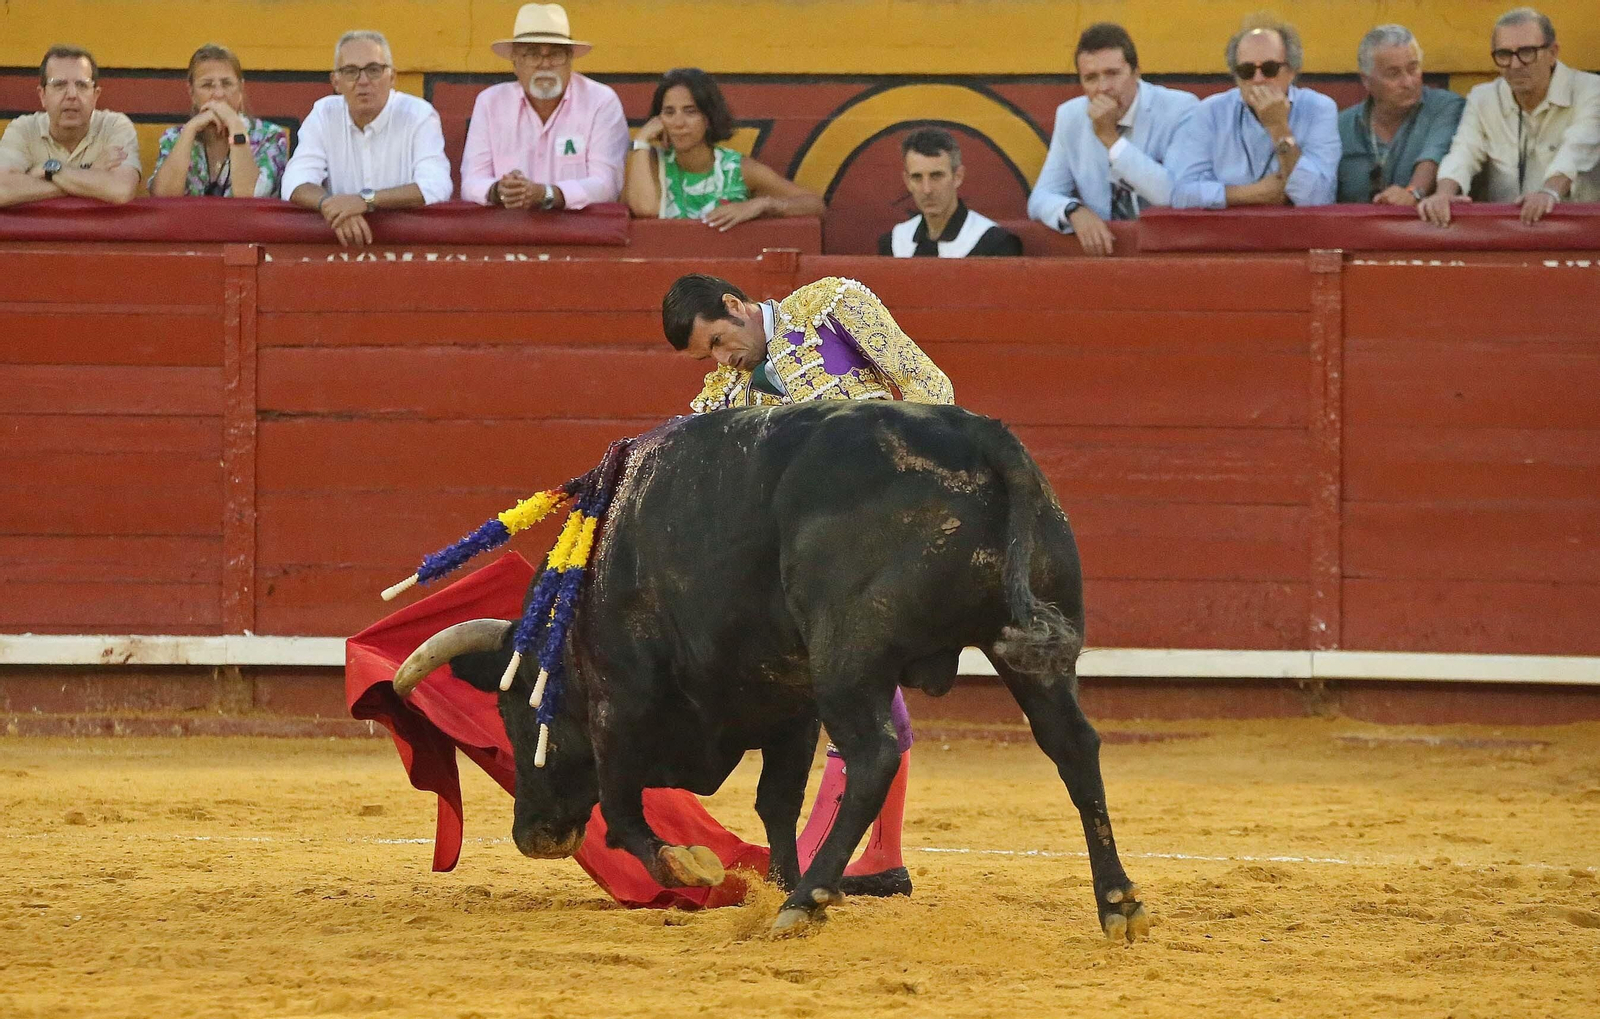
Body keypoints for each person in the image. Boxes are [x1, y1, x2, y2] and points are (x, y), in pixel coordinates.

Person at [656, 272, 957, 895]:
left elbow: (930, 387)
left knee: (851, 685)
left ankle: (830, 856)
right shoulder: (723, 396)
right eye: (705, 355)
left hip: (897, 522)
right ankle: (878, 858)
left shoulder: (833, 306)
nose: (720, 359)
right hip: (819, 567)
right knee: (855, 686)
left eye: (718, 341)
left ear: (736, 307)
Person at [1027, 22, 1199, 256]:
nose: (1103, 88)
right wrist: (1073, 211)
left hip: (1171, 251)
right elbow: (1041, 198)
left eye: (1112, 74)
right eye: (1091, 78)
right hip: (1108, 254)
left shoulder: (1180, 109)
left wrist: (1110, 139)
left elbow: (1173, 194)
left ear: (1136, 72)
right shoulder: (1071, 116)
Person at [1420, 7, 1600, 227]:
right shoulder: (1482, 97)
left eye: (1527, 52)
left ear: (1553, 53)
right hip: (1505, 234)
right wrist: (1443, 194)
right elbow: (1463, 151)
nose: (1515, 65)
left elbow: (1578, 149)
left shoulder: (1591, 91)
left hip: (1576, 235)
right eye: (1504, 55)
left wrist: (1549, 194)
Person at [281, 30, 452, 248]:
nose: (363, 81)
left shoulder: (418, 114)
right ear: (336, 81)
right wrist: (331, 206)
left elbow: (436, 186)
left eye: (373, 70)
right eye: (351, 71)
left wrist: (364, 201)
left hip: (408, 252)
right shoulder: (324, 114)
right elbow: (294, 181)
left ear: (392, 77)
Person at [461, 3, 628, 212]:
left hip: (578, 236)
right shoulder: (490, 103)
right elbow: (471, 182)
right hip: (509, 232)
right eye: (532, 54)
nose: (545, 64)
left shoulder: (601, 101)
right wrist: (499, 190)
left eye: (556, 54)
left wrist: (547, 194)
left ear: (570, 59)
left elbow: (607, 185)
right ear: (515, 61)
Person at [1166, 15, 1340, 208]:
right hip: (1227, 233)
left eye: (1269, 69)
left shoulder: (1319, 109)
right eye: (1247, 71)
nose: (1258, 79)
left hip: (1295, 233)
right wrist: (1253, 193)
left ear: (1291, 71)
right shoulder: (1211, 112)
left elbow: (1318, 198)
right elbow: (1180, 194)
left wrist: (1279, 127)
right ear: (1236, 77)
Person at [625, 67, 825, 230]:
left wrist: (764, 204)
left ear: (709, 118)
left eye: (690, 111)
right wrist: (642, 140)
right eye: (669, 112)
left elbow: (815, 204)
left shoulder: (735, 169)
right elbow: (645, 208)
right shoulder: (649, 162)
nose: (678, 123)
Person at [1336, 25, 1465, 205]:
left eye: (1413, 69)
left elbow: (1434, 153)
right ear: (1366, 80)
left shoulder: (1445, 106)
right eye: (1393, 74)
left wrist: (1413, 192)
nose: (1408, 82)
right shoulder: (1340, 127)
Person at [0, 45, 140, 208]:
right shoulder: (23, 129)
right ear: (42, 95)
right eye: (59, 85)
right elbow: (2, 189)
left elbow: (121, 190)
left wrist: (45, 171)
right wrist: (90, 176)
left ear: (95, 96)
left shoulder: (115, 126)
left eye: (82, 85)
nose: (72, 95)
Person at [148, 44, 290, 199]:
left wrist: (235, 127)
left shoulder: (269, 136)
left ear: (241, 88)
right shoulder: (174, 137)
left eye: (227, 84)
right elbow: (163, 196)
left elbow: (249, 196)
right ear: (192, 92)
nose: (218, 94)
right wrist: (189, 131)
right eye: (207, 85)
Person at [879, 127, 1020, 257]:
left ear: (958, 176)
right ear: (907, 181)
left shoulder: (995, 244)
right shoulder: (893, 243)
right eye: (917, 177)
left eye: (936, 176)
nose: (927, 189)